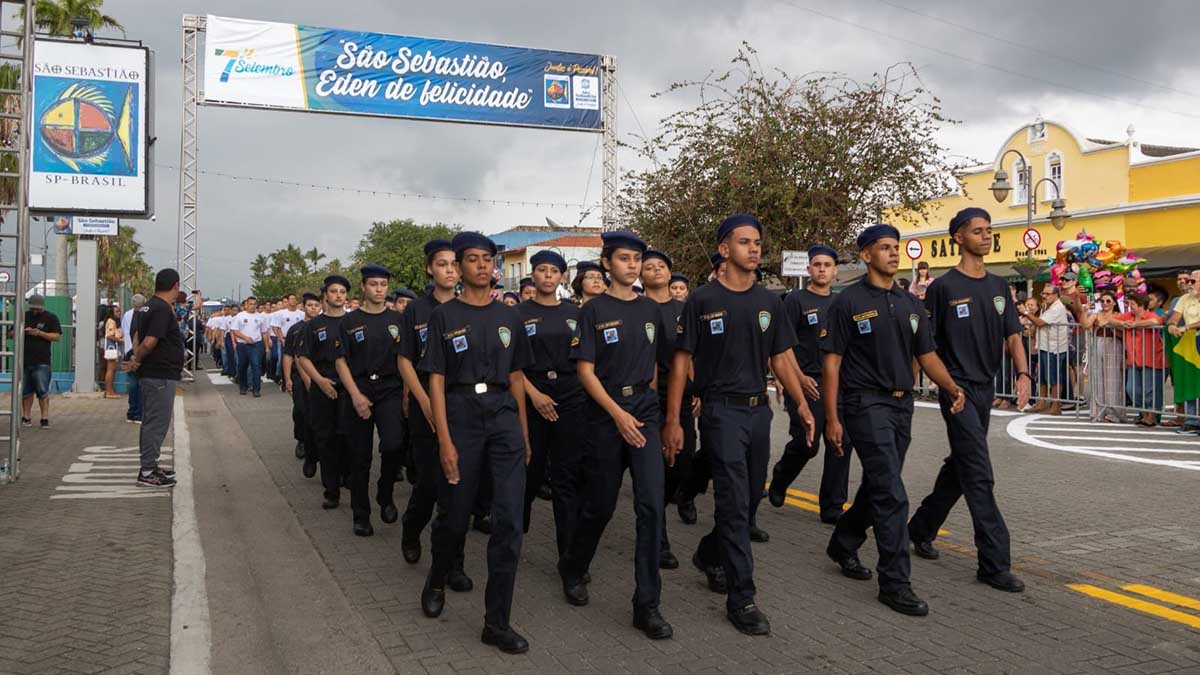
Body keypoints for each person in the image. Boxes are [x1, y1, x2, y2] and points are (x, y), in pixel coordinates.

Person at [663, 215, 814, 636]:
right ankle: (742, 598)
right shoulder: (701, 300)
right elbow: (680, 364)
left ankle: (710, 554)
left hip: (758, 411)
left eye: (758, 243)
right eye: (745, 242)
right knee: (731, 500)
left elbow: (781, 357)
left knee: (749, 499)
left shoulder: (769, 301)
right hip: (719, 411)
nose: (755, 249)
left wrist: (800, 403)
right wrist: (673, 420)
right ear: (725, 250)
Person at [821, 223, 964, 617]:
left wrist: (952, 387)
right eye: (884, 248)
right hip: (864, 404)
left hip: (903, 406)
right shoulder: (847, 302)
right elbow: (831, 363)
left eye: (895, 247)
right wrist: (832, 418)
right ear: (866, 255)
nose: (892, 253)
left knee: (879, 486)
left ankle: (845, 540)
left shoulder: (911, 304)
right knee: (892, 493)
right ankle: (895, 583)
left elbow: (928, 355)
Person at [418, 232, 533, 655]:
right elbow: (436, 378)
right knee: (455, 514)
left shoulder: (511, 318)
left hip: (503, 413)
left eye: (488, 259)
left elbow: (518, 376)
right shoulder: (444, 317)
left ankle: (496, 622)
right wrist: (444, 440)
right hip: (462, 414)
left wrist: (523, 433)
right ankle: (437, 576)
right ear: (459, 267)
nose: (483, 266)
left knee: (508, 522)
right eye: (473, 259)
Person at [906, 207, 1030, 594]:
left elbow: (1013, 335)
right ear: (959, 237)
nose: (985, 236)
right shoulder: (943, 288)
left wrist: (1024, 374)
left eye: (989, 230)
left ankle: (920, 528)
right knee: (978, 471)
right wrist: (943, 385)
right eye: (977, 231)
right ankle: (994, 563)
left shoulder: (998, 286)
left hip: (985, 389)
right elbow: (927, 345)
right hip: (955, 390)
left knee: (961, 465)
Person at [558, 230, 673, 641]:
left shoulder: (650, 309)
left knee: (651, 507)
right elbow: (585, 371)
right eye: (624, 258)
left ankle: (647, 605)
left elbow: (658, 364)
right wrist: (617, 414)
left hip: (644, 411)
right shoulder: (593, 310)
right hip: (606, 417)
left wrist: (654, 411)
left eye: (636, 259)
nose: (632, 265)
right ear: (607, 264)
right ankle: (573, 566)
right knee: (600, 506)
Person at [399, 240, 472, 594]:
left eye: (453, 264)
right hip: (425, 408)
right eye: (442, 264)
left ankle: (452, 563)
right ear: (430, 269)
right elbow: (405, 361)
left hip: (460, 409)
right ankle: (412, 529)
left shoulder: (468, 307)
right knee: (429, 483)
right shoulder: (416, 310)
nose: (449, 270)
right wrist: (423, 400)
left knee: (455, 489)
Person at [767, 245, 851, 524]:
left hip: (837, 382)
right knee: (808, 443)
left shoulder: (842, 302)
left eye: (827, 265)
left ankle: (832, 506)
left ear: (835, 271)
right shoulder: (795, 301)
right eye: (817, 265)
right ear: (809, 269)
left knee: (840, 442)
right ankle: (781, 477)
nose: (822, 269)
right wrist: (798, 377)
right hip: (805, 381)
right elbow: (784, 344)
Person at [518, 250, 586, 560]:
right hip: (533, 396)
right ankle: (515, 533)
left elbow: (587, 359)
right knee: (529, 474)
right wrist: (534, 394)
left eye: (553, 271)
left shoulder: (576, 312)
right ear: (533, 275)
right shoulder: (517, 314)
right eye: (541, 270)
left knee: (566, 478)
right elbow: (511, 366)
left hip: (570, 398)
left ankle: (569, 559)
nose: (547, 275)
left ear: (562, 277)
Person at [334, 265, 406, 537]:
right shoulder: (349, 322)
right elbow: (340, 361)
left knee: (394, 444)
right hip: (360, 387)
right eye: (373, 284)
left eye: (383, 285)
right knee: (359, 456)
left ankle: (385, 493)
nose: (379, 289)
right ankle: (360, 515)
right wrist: (355, 395)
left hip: (390, 388)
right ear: (363, 286)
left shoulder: (398, 319)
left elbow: (405, 359)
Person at [639, 248, 693, 570]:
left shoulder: (684, 310)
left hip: (683, 396)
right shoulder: (637, 308)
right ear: (641, 275)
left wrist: (696, 390)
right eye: (649, 267)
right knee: (654, 470)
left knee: (682, 463)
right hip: (647, 398)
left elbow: (691, 355)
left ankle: (664, 504)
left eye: (662, 266)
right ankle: (658, 538)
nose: (656, 270)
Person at [125, 269, 185, 488]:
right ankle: (148, 470)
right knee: (156, 423)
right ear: (175, 286)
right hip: (160, 374)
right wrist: (137, 359)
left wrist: (136, 356)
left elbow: (137, 336)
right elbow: (149, 341)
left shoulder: (147, 306)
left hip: (156, 372)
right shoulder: (161, 308)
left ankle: (151, 464)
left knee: (153, 422)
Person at [298, 276, 352, 510]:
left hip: (349, 387)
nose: (338, 295)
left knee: (347, 437)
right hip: (323, 385)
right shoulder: (314, 325)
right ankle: (331, 490)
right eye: (334, 291)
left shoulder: (354, 322)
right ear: (325, 296)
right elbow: (303, 357)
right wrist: (319, 381)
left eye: (342, 291)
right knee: (326, 438)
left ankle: (347, 477)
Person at [284, 293, 321, 473]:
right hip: (300, 376)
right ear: (303, 307)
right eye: (310, 305)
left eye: (316, 305)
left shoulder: (324, 326)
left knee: (318, 415)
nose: (313, 308)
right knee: (301, 411)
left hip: (321, 376)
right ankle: (302, 440)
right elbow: (289, 355)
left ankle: (317, 448)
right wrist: (288, 378)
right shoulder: (295, 329)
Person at [1117, 293, 1165, 426]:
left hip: (1152, 358)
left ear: (1141, 305)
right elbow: (1112, 320)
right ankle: (1143, 414)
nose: (1130, 306)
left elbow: (1156, 321)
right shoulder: (1129, 316)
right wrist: (1123, 323)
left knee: (1150, 390)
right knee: (1132, 389)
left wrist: (1135, 324)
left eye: (1132, 304)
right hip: (1134, 359)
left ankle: (1152, 416)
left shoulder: (1150, 315)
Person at [1026, 285, 1070, 415]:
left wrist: (1026, 313)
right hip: (1045, 346)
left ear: (1056, 295)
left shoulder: (1057, 308)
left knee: (1054, 377)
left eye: (1047, 294)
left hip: (1054, 348)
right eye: (1043, 294)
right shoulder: (1048, 306)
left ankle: (1056, 405)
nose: (1044, 296)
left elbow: (1040, 323)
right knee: (1043, 376)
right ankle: (1041, 403)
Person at [1165, 269, 1200, 433]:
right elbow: (1174, 317)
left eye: (1193, 281)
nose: (1189, 284)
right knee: (1190, 380)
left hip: (1195, 337)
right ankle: (1193, 420)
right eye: (1189, 281)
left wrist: (1186, 326)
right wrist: (1172, 325)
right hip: (1190, 343)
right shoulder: (1185, 298)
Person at [1084, 290, 1126, 424]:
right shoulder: (1096, 315)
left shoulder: (1119, 315)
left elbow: (1124, 332)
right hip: (1097, 343)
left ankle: (1114, 413)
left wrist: (1112, 324)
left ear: (1114, 303)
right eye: (1102, 301)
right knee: (1097, 377)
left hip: (1113, 344)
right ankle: (1097, 411)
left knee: (1112, 379)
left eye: (1108, 301)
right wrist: (1084, 310)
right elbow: (1085, 324)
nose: (1105, 303)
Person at [21, 294, 62, 429]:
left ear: (42, 307)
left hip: (42, 361)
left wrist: (40, 333)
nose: (34, 311)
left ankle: (44, 418)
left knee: (42, 391)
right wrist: (23, 332)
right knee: (26, 391)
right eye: (32, 308)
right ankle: (26, 417)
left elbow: (56, 336)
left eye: (37, 309)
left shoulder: (51, 318)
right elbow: (11, 333)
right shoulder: (24, 316)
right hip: (25, 360)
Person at [231, 297, 268, 397]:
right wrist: (245, 338)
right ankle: (243, 387)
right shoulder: (239, 316)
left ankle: (256, 389)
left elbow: (264, 332)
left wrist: (267, 346)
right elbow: (235, 330)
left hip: (256, 345)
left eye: (254, 304)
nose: (253, 306)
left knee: (256, 365)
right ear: (246, 305)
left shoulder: (260, 317)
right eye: (250, 304)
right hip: (242, 345)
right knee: (242, 366)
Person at [121, 295, 146, 424]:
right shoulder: (144, 314)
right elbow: (129, 334)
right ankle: (137, 413)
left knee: (133, 384)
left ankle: (133, 412)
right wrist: (135, 354)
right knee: (138, 384)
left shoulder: (127, 315)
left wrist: (130, 353)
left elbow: (126, 334)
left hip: (131, 353)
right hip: (139, 355)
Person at [270, 294, 305, 383]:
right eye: (291, 299)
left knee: (299, 360)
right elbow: (276, 328)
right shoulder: (281, 313)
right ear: (287, 301)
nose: (293, 300)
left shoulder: (301, 314)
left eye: (295, 299)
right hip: (285, 340)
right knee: (284, 360)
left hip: (299, 340)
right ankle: (284, 379)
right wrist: (281, 339)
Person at [102, 305, 122, 398]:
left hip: (113, 346)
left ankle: (110, 390)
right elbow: (110, 335)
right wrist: (120, 340)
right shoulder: (112, 322)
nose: (119, 313)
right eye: (117, 311)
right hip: (112, 346)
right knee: (111, 369)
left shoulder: (113, 321)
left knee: (112, 369)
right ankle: (109, 391)